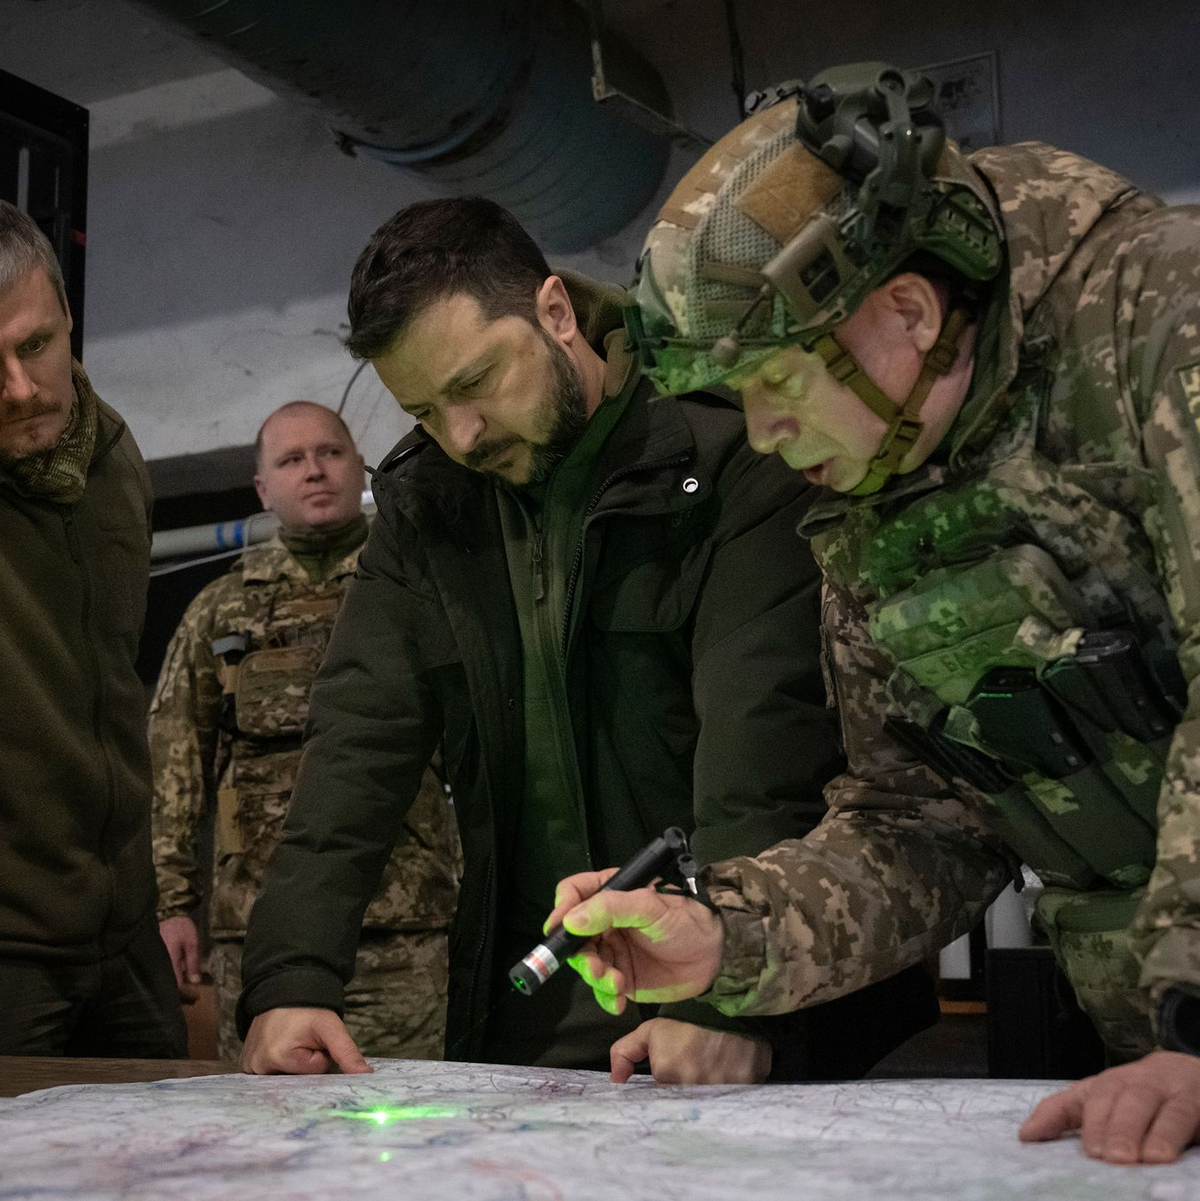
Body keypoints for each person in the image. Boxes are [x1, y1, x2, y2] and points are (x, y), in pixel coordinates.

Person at [544, 62, 1200, 1162]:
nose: (761, 436)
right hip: (1161, 1059)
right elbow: (921, 822)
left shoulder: (1156, 321)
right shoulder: (873, 488)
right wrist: (725, 935)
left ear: (907, 308)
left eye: (781, 386)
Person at [235, 196, 938, 1083]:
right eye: (422, 410)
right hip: (537, 1010)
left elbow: (764, 744)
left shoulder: (725, 448)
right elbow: (354, 744)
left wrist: (718, 995)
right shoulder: (428, 509)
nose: (460, 435)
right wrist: (290, 977)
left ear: (556, 313)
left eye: (474, 382)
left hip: (760, 1001)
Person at [149, 401, 461, 1061]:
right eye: (291, 460)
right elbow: (175, 762)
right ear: (262, 489)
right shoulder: (219, 610)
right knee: (274, 1136)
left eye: (330, 452)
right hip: (260, 933)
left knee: (423, 1127)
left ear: (361, 467)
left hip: (407, 928)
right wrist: (173, 901)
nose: (314, 470)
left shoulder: (424, 588)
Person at [0, 199, 186, 1057]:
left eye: (34, 344)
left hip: (127, 933)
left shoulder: (116, 457)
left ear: (69, 317)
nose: (19, 388)